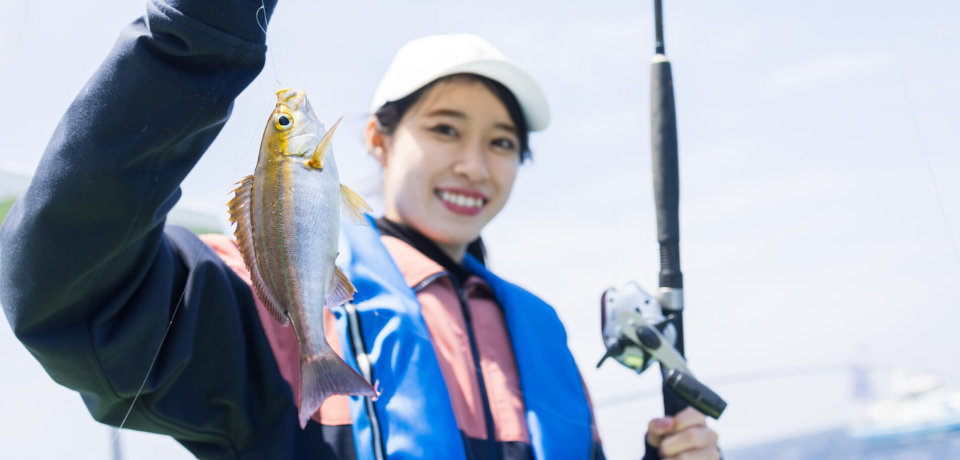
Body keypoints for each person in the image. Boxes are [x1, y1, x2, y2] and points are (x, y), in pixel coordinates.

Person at [0, 0, 720, 459]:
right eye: (445, 128)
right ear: (375, 139)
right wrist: (199, 32)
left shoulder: (541, 331)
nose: (473, 164)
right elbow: (68, 287)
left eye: (502, 143)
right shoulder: (267, 294)